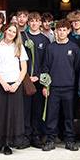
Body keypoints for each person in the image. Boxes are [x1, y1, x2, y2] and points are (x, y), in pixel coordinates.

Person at [0, 23, 29, 154]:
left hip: (15, 84)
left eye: (14, 32)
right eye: (9, 30)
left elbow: (24, 68)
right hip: (0, 84)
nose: (11, 33)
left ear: (16, 35)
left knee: (13, 114)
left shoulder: (19, 47)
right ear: (5, 30)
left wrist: (17, 83)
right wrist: (3, 83)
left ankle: (7, 144)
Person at [41, 20, 80, 151]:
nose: (62, 32)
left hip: (69, 87)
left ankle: (70, 140)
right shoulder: (50, 48)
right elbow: (45, 67)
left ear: (69, 31)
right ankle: (51, 139)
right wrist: (44, 86)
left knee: (69, 115)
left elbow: (77, 67)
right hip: (53, 88)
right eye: (59, 30)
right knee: (52, 115)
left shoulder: (74, 47)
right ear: (56, 32)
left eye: (64, 30)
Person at [24, 13, 50, 148]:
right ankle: (25, 136)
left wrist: (38, 76)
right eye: (31, 21)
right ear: (28, 23)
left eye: (36, 21)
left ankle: (36, 136)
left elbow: (46, 62)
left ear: (40, 23)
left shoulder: (44, 40)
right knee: (25, 109)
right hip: (24, 80)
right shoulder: (22, 38)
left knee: (37, 110)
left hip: (39, 81)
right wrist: (25, 75)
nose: (34, 24)